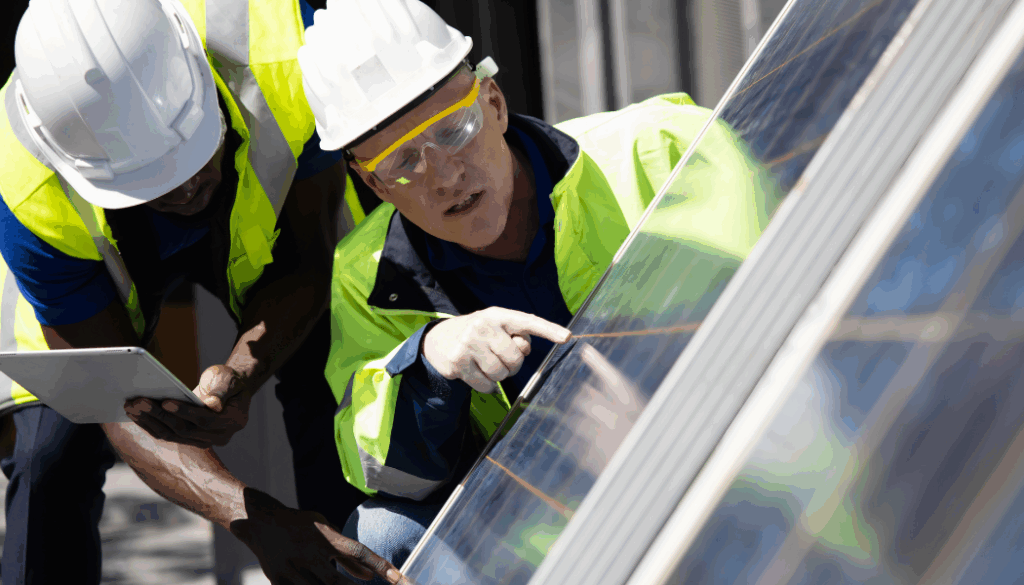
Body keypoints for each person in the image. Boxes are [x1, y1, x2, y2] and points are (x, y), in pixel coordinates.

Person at [298, 0, 779, 579]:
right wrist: (427, 364)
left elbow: (808, 311)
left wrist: (669, 417)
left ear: (494, 103)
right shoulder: (366, 275)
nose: (445, 176)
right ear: (370, 181)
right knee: (381, 533)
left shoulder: (660, 152)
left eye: (456, 129)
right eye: (403, 163)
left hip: (748, 463)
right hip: (560, 529)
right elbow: (384, 472)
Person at [0, 0, 393, 583]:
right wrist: (250, 516)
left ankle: (361, 561)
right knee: (48, 457)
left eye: (191, 155)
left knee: (334, 373)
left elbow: (307, 256)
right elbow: (111, 395)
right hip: (96, 255)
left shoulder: (288, 50)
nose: (184, 189)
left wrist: (242, 374)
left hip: (278, 223)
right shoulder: (25, 187)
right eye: (151, 181)